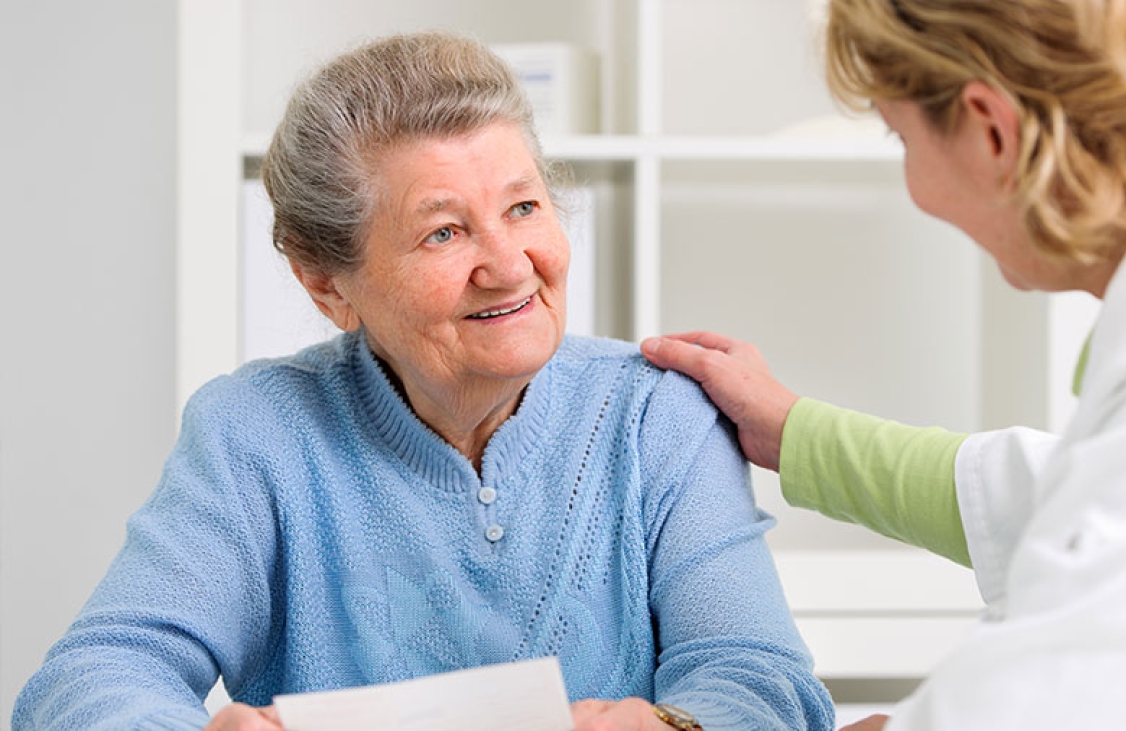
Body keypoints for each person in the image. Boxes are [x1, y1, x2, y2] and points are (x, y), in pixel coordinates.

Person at [12, 31, 836, 731]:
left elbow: (763, 678)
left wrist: (670, 724)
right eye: (444, 232)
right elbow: (92, 675)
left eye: (523, 208)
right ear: (327, 286)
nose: (510, 267)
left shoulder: (657, 414)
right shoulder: (254, 429)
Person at [641, 1, 1126, 729]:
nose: (915, 185)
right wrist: (796, 433)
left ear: (991, 129)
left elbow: (1054, 700)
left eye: (901, 137)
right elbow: (1057, 497)